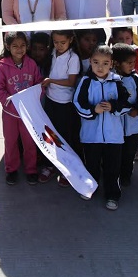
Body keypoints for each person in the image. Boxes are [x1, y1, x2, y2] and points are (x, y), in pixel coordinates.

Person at [73, 44, 128, 210]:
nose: (100, 67)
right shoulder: (86, 81)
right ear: (90, 62)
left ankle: (112, 195)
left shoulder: (117, 81)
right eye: (96, 62)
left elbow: (126, 104)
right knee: (92, 164)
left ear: (111, 64)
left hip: (114, 136)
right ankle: (90, 188)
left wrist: (114, 107)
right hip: (91, 135)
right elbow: (77, 103)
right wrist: (93, 110)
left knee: (112, 167)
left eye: (105, 63)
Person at [0, 31, 43, 186]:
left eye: (22, 45)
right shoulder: (2, 66)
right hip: (10, 113)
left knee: (29, 143)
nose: (19, 49)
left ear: (27, 46)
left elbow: (39, 84)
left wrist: (35, 98)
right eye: (15, 46)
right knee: (11, 142)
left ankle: (31, 170)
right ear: (8, 47)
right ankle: (11, 169)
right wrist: (8, 101)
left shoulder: (31, 64)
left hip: (28, 113)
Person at [38, 29, 81, 185]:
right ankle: (49, 165)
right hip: (50, 100)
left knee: (65, 137)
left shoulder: (73, 58)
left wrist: (51, 81)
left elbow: (70, 82)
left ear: (70, 40)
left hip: (65, 103)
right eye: (56, 42)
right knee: (50, 134)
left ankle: (66, 169)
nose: (59, 45)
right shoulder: (52, 54)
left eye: (63, 42)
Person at [112, 43, 138, 187]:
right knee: (115, 154)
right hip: (115, 127)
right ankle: (113, 175)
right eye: (129, 63)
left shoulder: (136, 79)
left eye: (133, 62)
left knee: (129, 154)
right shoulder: (111, 79)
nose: (132, 66)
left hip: (132, 128)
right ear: (117, 63)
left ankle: (126, 175)